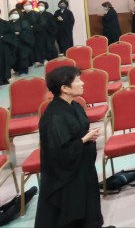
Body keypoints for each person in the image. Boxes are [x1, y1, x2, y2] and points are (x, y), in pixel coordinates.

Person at [35, 67, 108, 227]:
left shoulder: (74, 105)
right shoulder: (54, 116)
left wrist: (87, 137)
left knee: (89, 205)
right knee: (74, 211)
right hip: (67, 176)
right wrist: (83, 140)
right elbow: (59, 152)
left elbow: (76, 132)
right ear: (65, 88)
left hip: (82, 166)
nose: (82, 83)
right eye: (78, 80)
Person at [8, 9, 33, 76]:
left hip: (22, 42)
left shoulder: (23, 22)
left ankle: (23, 71)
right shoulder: (8, 23)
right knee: (14, 56)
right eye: (12, 13)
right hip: (12, 43)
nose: (14, 14)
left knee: (22, 57)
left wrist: (19, 33)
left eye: (16, 13)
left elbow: (28, 31)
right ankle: (17, 69)